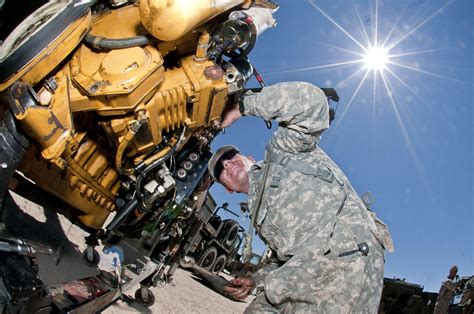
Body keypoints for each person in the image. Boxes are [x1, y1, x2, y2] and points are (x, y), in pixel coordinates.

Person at [208, 82, 394, 313]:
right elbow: (281, 257)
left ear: (248, 157)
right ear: (229, 189)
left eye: (229, 155)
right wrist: (257, 280)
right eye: (220, 170)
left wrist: (242, 105)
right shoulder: (257, 216)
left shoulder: (282, 151)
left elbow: (313, 104)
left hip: (345, 265)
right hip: (299, 275)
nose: (227, 163)